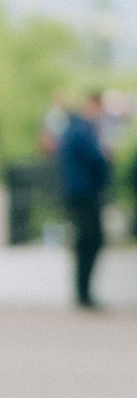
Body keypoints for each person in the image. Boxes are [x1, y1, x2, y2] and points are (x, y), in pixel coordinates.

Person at [57, 89, 111, 310]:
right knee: (89, 240)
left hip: (83, 192)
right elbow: (97, 158)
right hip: (82, 193)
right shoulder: (81, 130)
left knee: (90, 240)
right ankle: (83, 293)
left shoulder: (81, 129)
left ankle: (84, 292)